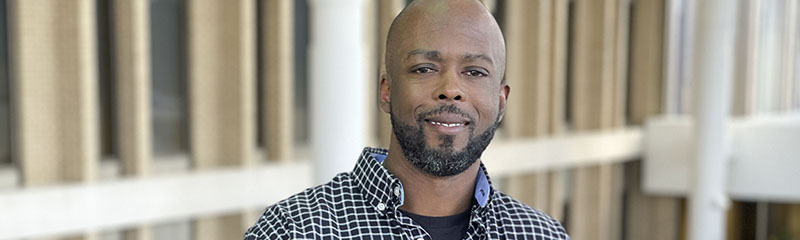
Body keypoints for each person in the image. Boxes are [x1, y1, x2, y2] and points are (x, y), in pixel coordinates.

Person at [244, 0, 569, 239]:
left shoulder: (542, 235)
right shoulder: (295, 230)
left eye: (474, 72)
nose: (451, 90)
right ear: (386, 91)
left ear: (500, 103)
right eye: (424, 69)